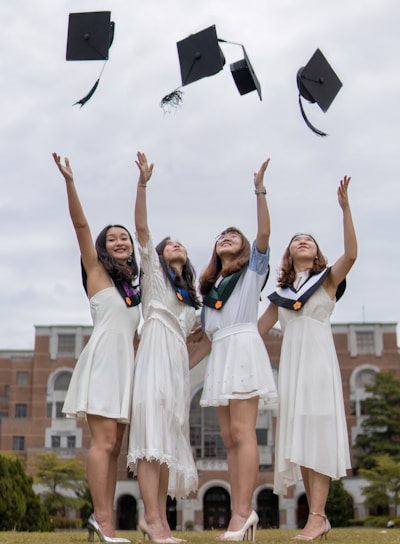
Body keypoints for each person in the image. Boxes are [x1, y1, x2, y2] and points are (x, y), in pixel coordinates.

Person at [258, 175, 357, 541]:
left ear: (316, 253)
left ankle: (317, 516)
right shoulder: (281, 293)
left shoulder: (328, 280)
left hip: (318, 363)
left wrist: (345, 210)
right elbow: (255, 332)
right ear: (289, 253)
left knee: (317, 432)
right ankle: (316, 517)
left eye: (310, 240)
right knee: (300, 436)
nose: (303, 241)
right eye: (296, 240)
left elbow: (352, 254)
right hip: (293, 368)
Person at [52, 153, 141, 543]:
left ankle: (104, 523)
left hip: (127, 366)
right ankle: (102, 521)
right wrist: (71, 182)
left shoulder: (136, 290)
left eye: (125, 238)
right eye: (113, 239)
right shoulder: (97, 271)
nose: (119, 241)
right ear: (104, 248)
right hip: (104, 362)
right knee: (103, 443)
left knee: (115, 447)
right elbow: (81, 224)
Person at [189, 158, 277, 542]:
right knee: (229, 439)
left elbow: (264, 234)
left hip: (243, 349)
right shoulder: (209, 292)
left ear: (242, 248)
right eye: (221, 236)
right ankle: (241, 516)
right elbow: (206, 341)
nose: (227, 237)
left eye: (233, 235)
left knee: (244, 433)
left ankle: (243, 512)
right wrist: (175, 367)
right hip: (221, 357)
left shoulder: (251, 273)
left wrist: (259, 190)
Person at [127, 152, 200, 543]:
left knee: (169, 439)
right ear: (160, 255)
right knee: (151, 436)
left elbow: (198, 336)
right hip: (154, 350)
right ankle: (150, 519)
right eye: (169, 243)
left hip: (176, 362)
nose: (176, 246)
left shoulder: (190, 294)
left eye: (181, 244)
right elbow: (142, 228)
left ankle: (162, 523)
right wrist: (143, 184)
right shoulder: (154, 278)